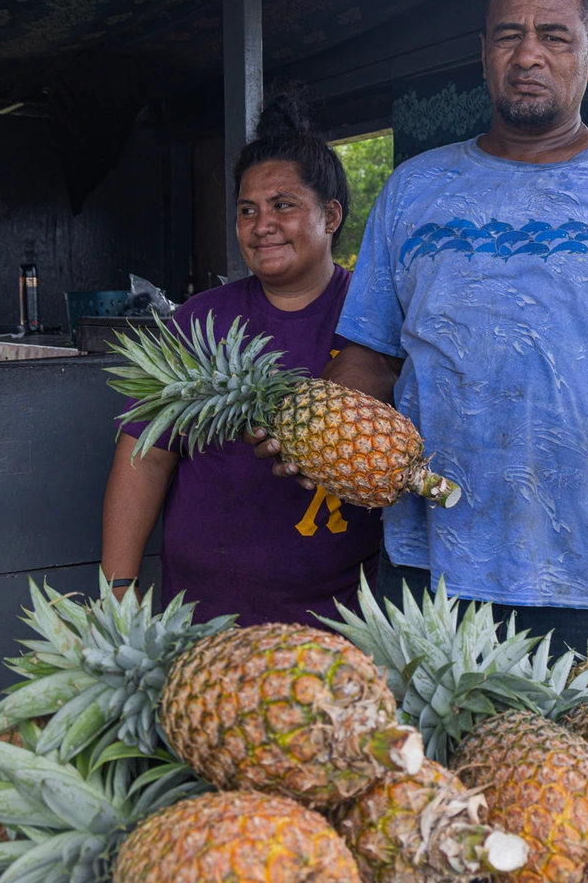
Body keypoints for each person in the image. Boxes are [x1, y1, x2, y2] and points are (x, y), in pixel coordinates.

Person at [252, 0, 588, 651]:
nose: (529, 56)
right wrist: (312, 421)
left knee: (584, 763)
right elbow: (370, 357)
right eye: (510, 36)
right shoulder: (414, 190)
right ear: (483, 51)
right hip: (428, 571)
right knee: (421, 761)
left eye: (554, 36)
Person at [100, 88, 380, 626]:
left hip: (340, 619)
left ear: (331, 215)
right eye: (247, 209)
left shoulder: (375, 317)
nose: (261, 225)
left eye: (283, 205)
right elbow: (147, 455)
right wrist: (118, 589)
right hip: (203, 612)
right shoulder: (199, 322)